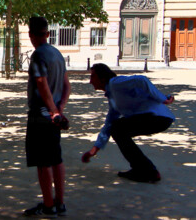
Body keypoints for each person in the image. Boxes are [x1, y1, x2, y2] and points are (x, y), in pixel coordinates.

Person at [81, 63, 175, 183]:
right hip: (157, 119)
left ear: (102, 78)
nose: (90, 81)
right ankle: (142, 169)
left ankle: (147, 171)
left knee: (118, 129)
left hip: (158, 117)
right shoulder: (113, 99)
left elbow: (142, 80)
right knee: (116, 128)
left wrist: (163, 99)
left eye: (92, 76)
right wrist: (94, 150)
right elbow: (108, 125)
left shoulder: (115, 83)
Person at [23, 17, 71, 218]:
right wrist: (60, 108)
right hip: (54, 116)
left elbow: (41, 83)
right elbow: (67, 85)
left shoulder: (38, 55)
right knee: (56, 158)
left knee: (43, 162)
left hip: (41, 115)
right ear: (48, 33)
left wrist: (52, 110)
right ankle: (60, 203)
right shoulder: (57, 54)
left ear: (31, 35)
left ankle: (49, 205)